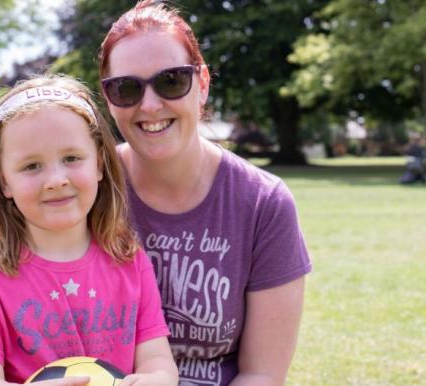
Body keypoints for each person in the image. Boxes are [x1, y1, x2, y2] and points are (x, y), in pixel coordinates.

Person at [97, 1, 313, 385]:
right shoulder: (88, 190)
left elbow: (261, 374)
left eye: (171, 81)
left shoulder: (263, 203)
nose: (149, 105)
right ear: (108, 99)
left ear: (203, 84)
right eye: (126, 88)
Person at [0, 75, 178, 386]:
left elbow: (158, 360)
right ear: (3, 181)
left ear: (100, 164)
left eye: (71, 158)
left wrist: (155, 379)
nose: (56, 179)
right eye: (32, 166)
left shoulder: (129, 260)